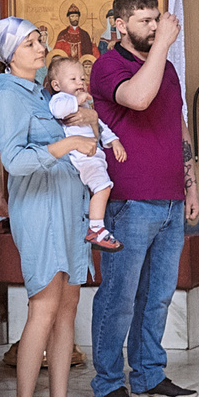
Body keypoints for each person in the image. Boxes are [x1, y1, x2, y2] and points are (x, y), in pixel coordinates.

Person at [0, 18, 101, 397]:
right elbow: (14, 160)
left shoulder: (40, 93)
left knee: (68, 305)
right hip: (39, 209)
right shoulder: (6, 96)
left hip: (68, 206)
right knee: (45, 306)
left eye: (39, 40)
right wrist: (67, 145)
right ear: (9, 54)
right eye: (30, 43)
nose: (40, 47)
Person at [90, 0, 199, 397]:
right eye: (145, 21)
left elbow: (179, 126)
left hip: (171, 197)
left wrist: (191, 185)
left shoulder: (166, 67)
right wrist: (163, 46)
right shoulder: (108, 66)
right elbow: (137, 98)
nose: (155, 27)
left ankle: (149, 374)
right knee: (119, 296)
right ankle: (108, 382)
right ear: (120, 25)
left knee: (158, 296)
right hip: (129, 200)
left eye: (157, 19)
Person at [45, 54, 126, 250]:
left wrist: (114, 141)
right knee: (103, 187)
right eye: (73, 79)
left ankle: (95, 227)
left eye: (82, 78)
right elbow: (58, 110)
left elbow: (99, 124)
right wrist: (77, 100)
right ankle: (96, 228)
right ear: (56, 85)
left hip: (92, 156)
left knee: (100, 187)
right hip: (81, 157)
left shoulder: (83, 105)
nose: (80, 83)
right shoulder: (61, 99)